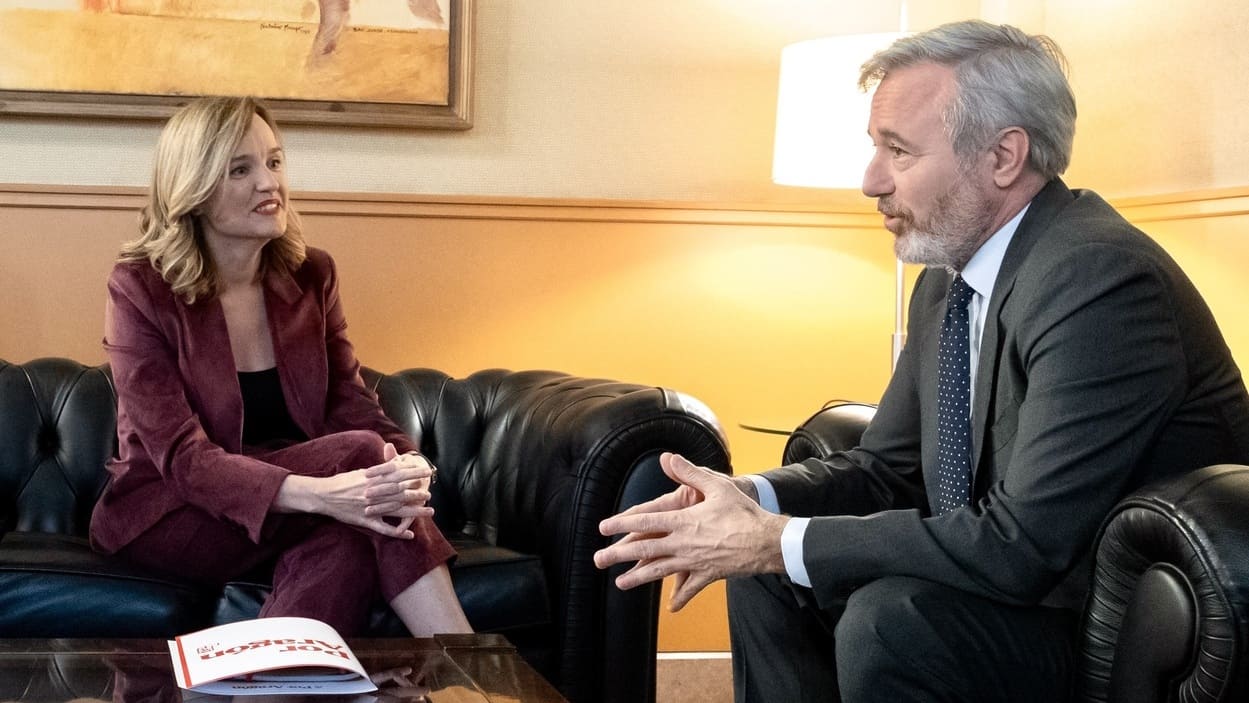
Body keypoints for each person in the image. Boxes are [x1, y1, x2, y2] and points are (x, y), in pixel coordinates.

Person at [594, 19, 1249, 703]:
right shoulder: (950, 273)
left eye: (897, 152)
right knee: (770, 571)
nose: (870, 180)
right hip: (1015, 590)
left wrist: (776, 538)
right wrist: (752, 501)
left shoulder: (1098, 279)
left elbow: (1022, 545)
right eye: (874, 148)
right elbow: (887, 469)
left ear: (1002, 156)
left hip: (1097, 625)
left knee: (886, 618)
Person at [89, 96, 472, 638]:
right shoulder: (141, 287)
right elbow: (182, 457)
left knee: (349, 529)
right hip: (171, 510)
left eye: (274, 161)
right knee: (359, 467)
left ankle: (274, 689)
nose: (270, 183)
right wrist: (326, 493)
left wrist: (410, 467)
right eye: (241, 169)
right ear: (193, 189)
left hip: (296, 507)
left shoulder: (313, 274)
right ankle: (463, 665)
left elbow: (350, 402)